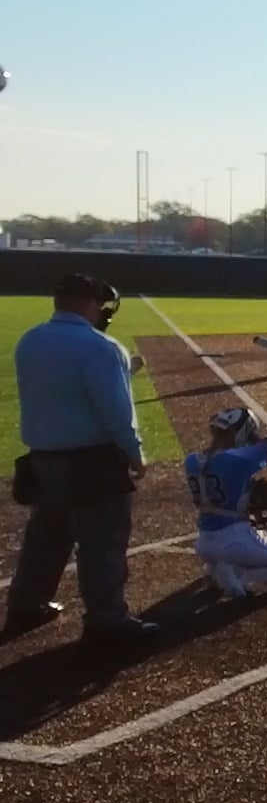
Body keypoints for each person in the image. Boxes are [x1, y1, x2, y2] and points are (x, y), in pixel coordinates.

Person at [3, 273, 158, 642]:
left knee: (46, 537)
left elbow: (64, 387)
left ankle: (26, 603)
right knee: (102, 542)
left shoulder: (30, 341)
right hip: (93, 463)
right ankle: (107, 621)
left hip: (42, 459)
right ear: (91, 303)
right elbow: (116, 414)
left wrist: (124, 371)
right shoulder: (102, 347)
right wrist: (135, 454)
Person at [185, 408, 267, 599]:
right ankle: (241, 577)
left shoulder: (192, 461)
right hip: (235, 539)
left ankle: (218, 568)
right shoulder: (240, 458)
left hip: (204, 542)